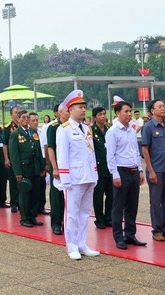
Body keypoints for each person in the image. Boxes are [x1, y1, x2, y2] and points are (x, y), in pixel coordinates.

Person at [55, 89, 99, 260]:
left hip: (88, 176)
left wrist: (95, 175)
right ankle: (71, 245)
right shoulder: (64, 129)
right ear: (70, 110)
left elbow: (91, 154)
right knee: (72, 213)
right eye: (79, 107)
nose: (83, 109)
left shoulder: (87, 129)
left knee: (85, 212)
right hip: (74, 178)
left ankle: (82, 243)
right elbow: (62, 156)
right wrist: (65, 179)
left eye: (84, 106)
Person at [106, 101, 146, 249]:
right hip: (121, 172)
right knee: (118, 206)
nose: (129, 114)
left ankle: (130, 234)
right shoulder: (113, 131)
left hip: (133, 171)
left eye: (130, 111)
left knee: (132, 206)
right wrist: (115, 175)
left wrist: (140, 170)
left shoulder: (131, 130)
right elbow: (110, 156)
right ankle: (118, 237)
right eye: (126, 111)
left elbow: (135, 152)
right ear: (117, 113)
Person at [141, 99, 165, 242]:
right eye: (160, 107)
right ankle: (157, 230)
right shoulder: (148, 127)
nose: (163, 108)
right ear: (152, 110)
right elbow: (145, 150)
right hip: (156, 170)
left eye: (164, 106)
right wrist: (150, 171)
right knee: (156, 201)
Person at [9, 110, 44, 228]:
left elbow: (38, 150)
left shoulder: (34, 132)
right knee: (24, 194)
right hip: (24, 168)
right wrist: (18, 172)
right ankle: (24, 218)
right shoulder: (15, 134)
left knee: (35, 193)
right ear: (18, 119)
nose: (26, 120)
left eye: (27, 117)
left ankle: (32, 216)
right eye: (23, 117)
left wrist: (42, 166)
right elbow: (14, 155)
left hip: (34, 167)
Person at [46, 103, 67, 236]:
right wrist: (54, 168)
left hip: (70, 167)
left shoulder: (72, 127)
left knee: (69, 197)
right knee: (56, 196)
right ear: (59, 113)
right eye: (66, 111)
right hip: (58, 168)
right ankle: (56, 223)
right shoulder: (53, 128)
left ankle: (67, 222)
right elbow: (50, 148)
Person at [91, 107, 112, 229]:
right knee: (98, 196)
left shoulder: (109, 130)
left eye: (104, 114)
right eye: (100, 115)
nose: (103, 116)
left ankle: (109, 218)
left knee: (111, 195)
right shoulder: (91, 131)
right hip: (98, 169)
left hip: (109, 168)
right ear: (94, 117)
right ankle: (99, 219)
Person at [2, 106, 21, 213]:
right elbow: (5, 144)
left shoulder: (22, 126)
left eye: (19, 112)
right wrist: (6, 158)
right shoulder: (8, 127)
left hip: (22, 158)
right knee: (13, 182)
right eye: (16, 112)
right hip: (12, 158)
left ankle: (21, 202)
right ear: (11, 115)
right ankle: (14, 203)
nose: (18, 114)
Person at [29, 112, 47, 217]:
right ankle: (33, 209)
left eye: (37, 120)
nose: (36, 122)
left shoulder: (41, 132)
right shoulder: (28, 134)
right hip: (32, 162)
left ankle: (41, 206)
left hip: (42, 159)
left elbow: (45, 146)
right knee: (33, 187)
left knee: (42, 185)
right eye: (33, 121)